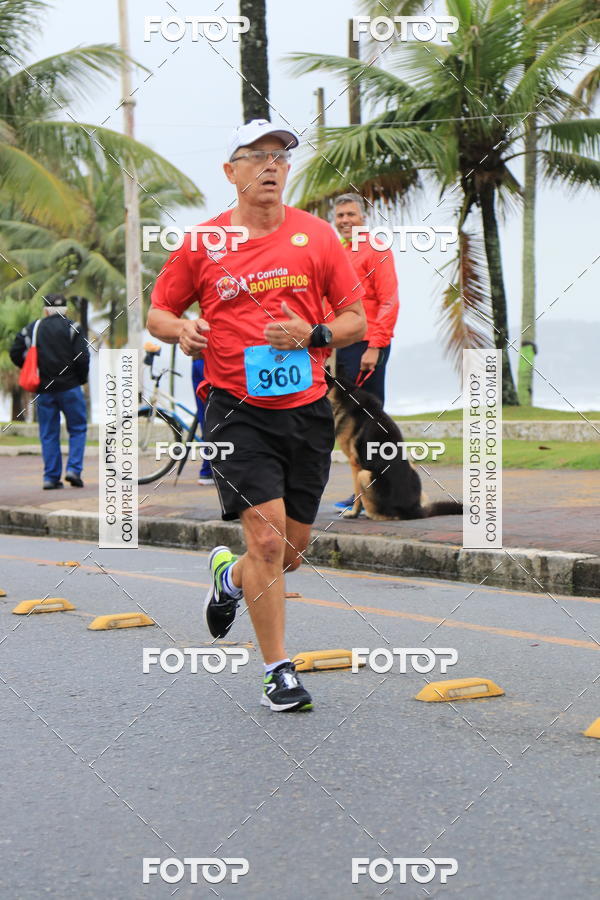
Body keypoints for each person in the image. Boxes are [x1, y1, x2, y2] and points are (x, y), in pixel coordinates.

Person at [148, 119, 366, 712]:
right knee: (266, 541)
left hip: (305, 410)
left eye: (281, 157)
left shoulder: (318, 237)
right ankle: (278, 671)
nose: (271, 165)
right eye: (257, 156)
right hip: (234, 411)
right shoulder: (203, 243)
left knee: (291, 552)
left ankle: (229, 576)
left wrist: (315, 332)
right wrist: (184, 330)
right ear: (231, 172)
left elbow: (355, 322)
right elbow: (159, 313)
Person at [331, 193, 400, 509]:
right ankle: (361, 491)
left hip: (368, 344)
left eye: (351, 214)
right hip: (343, 346)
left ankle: (379, 491)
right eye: (340, 215)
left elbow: (389, 301)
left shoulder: (377, 249)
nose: (345, 220)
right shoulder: (337, 252)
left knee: (370, 422)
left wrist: (375, 346)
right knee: (350, 424)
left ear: (364, 217)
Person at [10, 294, 90, 489]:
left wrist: (30, 366)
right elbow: (82, 358)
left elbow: (15, 351)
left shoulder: (34, 328)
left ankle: (51, 478)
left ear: (46, 310)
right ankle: (73, 470)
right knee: (78, 429)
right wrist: (80, 379)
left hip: (44, 389)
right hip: (70, 388)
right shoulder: (75, 328)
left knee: (48, 433)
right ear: (66, 310)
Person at [191, 357, 214, 485]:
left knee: (205, 417)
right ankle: (208, 470)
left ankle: (208, 470)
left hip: (199, 359)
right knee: (210, 416)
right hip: (208, 360)